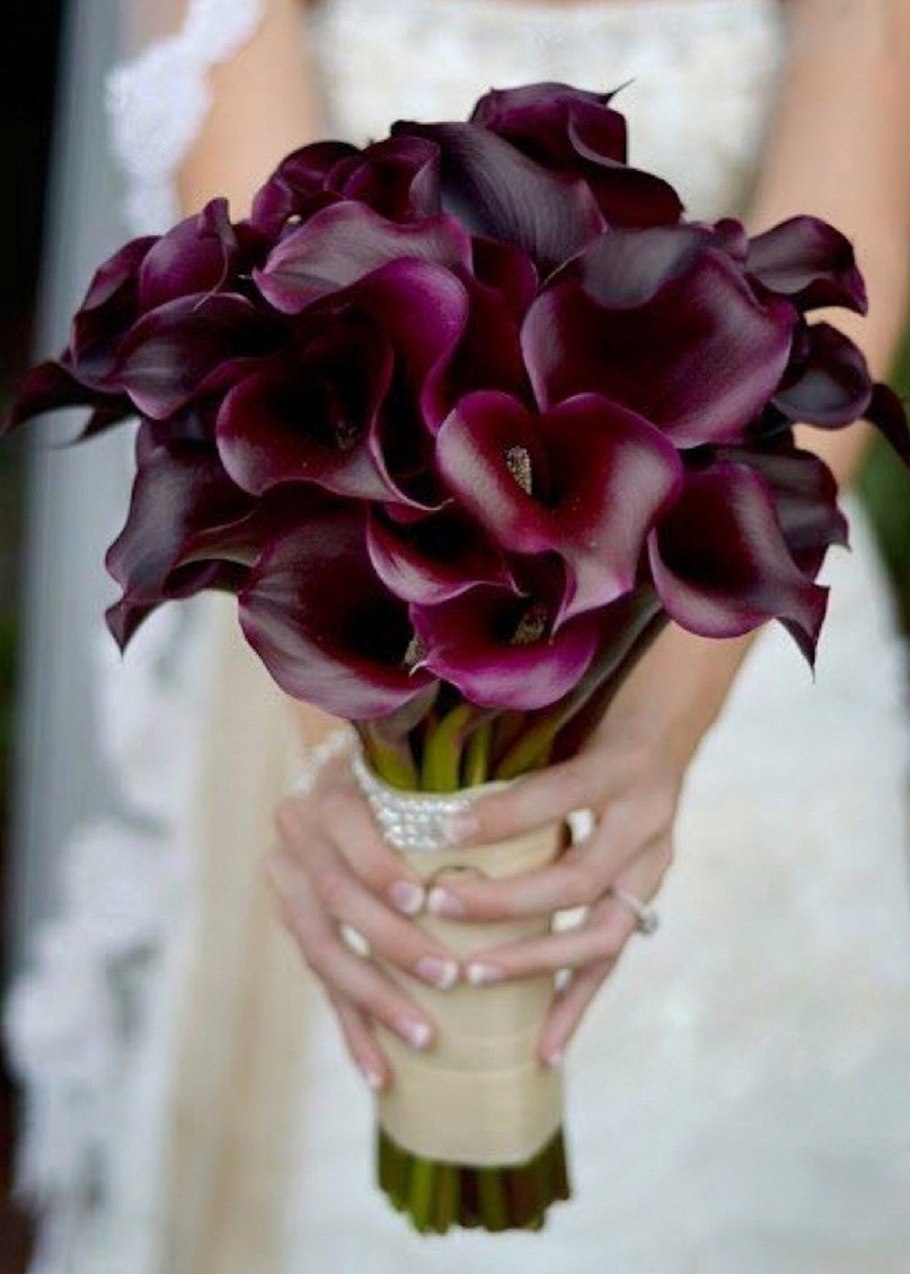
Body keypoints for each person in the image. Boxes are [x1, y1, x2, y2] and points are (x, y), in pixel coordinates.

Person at [6, 0, 910, 1270]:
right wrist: (366, 770)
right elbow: (261, 267)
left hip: (724, 619)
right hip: (371, 614)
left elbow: (858, 101)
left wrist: (656, 735)